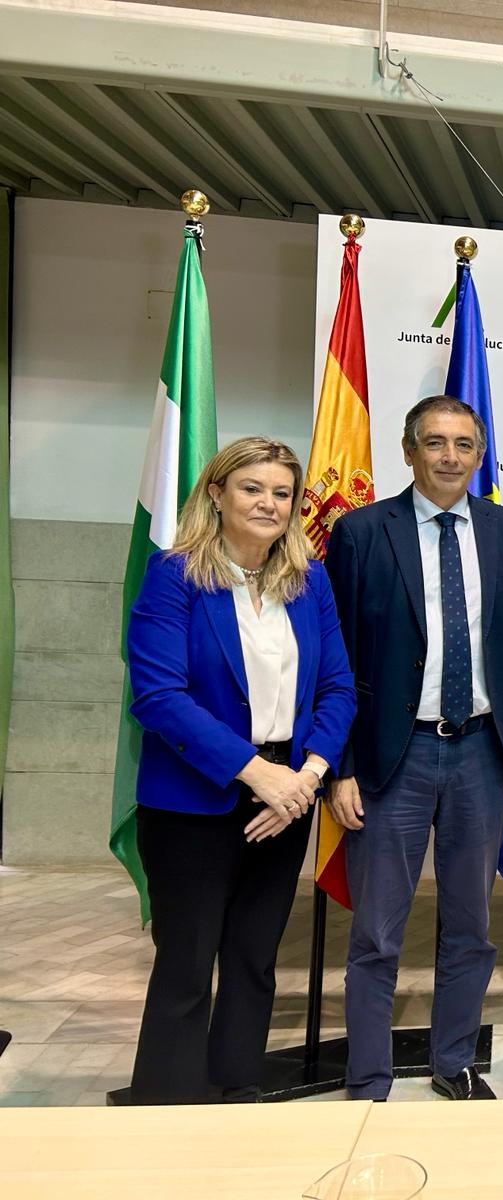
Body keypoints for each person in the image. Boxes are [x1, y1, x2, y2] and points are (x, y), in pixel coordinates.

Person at [125, 436, 355, 1104]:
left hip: (290, 793)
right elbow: (159, 697)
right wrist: (259, 775)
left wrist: (307, 775)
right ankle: (166, 1103)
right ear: (218, 494)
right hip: (195, 802)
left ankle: (236, 1091)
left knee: (255, 961)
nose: (269, 503)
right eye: (252, 488)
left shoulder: (309, 581)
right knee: (187, 967)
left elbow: (338, 687)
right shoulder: (176, 575)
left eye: (282, 492)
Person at [325, 395, 503, 1102]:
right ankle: (368, 1079)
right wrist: (343, 767)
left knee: (470, 927)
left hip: (482, 753)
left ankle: (453, 1063)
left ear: (480, 454)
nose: (450, 456)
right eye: (435, 443)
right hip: (394, 759)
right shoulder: (361, 532)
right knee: (377, 933)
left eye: (463, 444)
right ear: (408, 449)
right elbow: (341, 656)